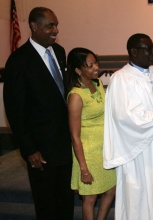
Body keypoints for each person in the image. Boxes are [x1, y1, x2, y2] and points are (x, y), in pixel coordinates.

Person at [102, 33, 153, 220]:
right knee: (139, 197)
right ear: (133, 51)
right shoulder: (120, 78)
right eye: (148, 48)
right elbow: (123, 115)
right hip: (138, 151)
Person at [3, 7, 74, 219]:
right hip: (40, 150)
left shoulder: (60, 52)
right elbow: (15, 110)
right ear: (34, 27)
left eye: (56, 25)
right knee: (46, 203)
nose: (55, 30)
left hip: (65, 143)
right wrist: (29, 148)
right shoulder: (18, 61)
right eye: (50, 26)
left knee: (65, 200)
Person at [67, 48, 116, 220]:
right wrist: (83, 168)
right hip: (88, 153)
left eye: (96, 62)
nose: (96, 67)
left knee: (111, 190)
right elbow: (74, 136)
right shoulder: (76, 96)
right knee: (90, 197)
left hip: (105, 148)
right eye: (90, 65)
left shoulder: (97, 84)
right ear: (78, 70)